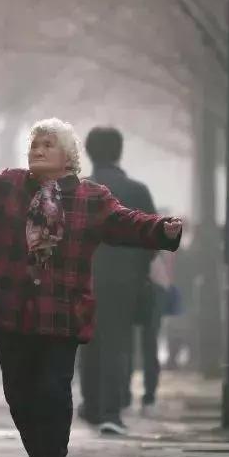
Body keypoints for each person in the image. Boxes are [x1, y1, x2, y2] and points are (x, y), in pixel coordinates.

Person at [0, 118, 182, 457]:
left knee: (52, 392)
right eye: (35, 144)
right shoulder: (7, 186)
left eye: (48, 145)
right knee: (20, 397)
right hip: (11, 313)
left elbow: (125, 222)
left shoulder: (90, 198)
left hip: (61, 315)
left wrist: (163, 229)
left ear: (68, 157)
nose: (38, 150)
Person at [77, 127, 161, 435]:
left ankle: (92, 405)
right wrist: (138, 267)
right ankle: (112, 410)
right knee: (116, 343)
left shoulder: (76, 189)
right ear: (119, 151)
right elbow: (153, 239)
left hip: (83, 277)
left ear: (88, 151)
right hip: (125, 280)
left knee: (87, 341)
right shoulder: (137, 191)